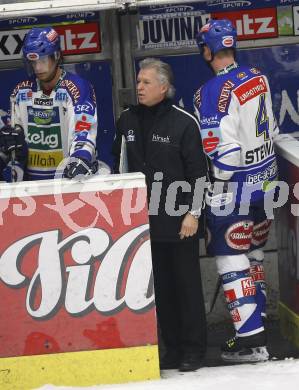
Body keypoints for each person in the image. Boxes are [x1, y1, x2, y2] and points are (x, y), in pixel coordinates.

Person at [112, 58, 208, 371]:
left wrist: (193, 214)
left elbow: (198, 173)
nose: (138, 87)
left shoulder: (184, 122)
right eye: (138, 82)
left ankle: (194, 350)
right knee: (161, 289)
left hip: (181, 221)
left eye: (146, 82)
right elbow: (121, 168)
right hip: (143, 222)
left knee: (187, 287)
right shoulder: (125, 120)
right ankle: (173, 348)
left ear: (163, 88)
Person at [194, 19, 279, 363]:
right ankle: (256, 331)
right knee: (255, 253)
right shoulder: (257, 76)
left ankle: (249, 342)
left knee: (231, 257)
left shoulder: (211, 92)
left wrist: (217, 193)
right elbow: (271, 128)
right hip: (268, 183)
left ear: (207, 50)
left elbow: (225, 154)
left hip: (236, 188)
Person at [0, 26, 98, 182]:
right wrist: (9, 143)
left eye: (43, 60)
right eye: (33, 61)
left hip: (69, 182)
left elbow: (83, 128)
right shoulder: (21, 92)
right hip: (32, 187)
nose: (38, 68)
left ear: (57, 55)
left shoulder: (77, 87)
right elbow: (14, 138)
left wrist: (80, 158)